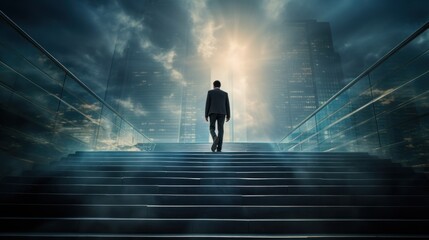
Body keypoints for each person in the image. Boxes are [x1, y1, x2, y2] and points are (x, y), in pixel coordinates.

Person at [205, 80, 231, 152]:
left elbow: (208, 104)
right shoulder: (225, 94)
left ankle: (214, 137)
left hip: (212, 112)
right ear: (220, 86)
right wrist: (228, 115)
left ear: (213, 85)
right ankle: (219, 148)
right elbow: (227, 105)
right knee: (221, 130)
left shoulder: (210, 92)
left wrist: (206, 115)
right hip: (222, 112)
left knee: (211, 127)